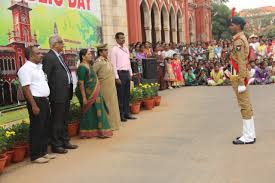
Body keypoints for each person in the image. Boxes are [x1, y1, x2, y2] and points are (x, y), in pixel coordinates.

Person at [18, 46, 56, 163]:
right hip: (35, 101)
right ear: (31, 56)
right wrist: (34, 105)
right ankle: (35, 156)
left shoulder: (38, 68)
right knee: (36, 128)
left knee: (44, 127)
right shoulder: (25, 69)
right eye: (38, 53)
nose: (41, 55)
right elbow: (26, 89)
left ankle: (44, 152)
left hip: (44, 100)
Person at [43, 35, 78, 154]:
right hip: (57, 94)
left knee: (64, 119)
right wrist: (51, 93)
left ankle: (65, 141)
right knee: (57, 120)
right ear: (54, 44)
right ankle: (56, 144)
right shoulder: (49, 57)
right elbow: (46, 77)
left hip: (65, 92)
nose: (63, 45)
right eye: (61, 43)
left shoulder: (59, 56)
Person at [228, 16, 256, 145]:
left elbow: (240, 61)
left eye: (232, 25)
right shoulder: (240, 38)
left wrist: (241, 82)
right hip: (241, 75)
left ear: (238, 25)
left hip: (240, 76)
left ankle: (248, 137)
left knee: (244, 106)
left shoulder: (239, 40)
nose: (230, 27)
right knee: (246, 105)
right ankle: (250, 133)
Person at [75, 49, 113, 138]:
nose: (91, 55)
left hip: (95, 91)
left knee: (98, 110)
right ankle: (87, 132)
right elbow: (81, 83)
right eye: (88, 54)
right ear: (83, 57)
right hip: (88, 94)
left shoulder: (89, 65)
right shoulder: (82, 67)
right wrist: (84, 97)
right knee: (89, 112)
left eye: (91, 54)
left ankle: (100, 131)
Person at [93, 44, 121, 131]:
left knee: (113, 106)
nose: (107, 52)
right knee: (106, 106)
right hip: (104, 87)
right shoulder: (98, 62)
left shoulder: (107, 60)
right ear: (100, 52)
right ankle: (107, 125)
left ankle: (114, 124)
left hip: (111, 87)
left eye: (107, 50)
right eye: (104, 50)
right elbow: (92, 74)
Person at [110, 32, 136, 122]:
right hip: (120, 74)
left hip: (126, 73)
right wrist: (116, 77)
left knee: (127, 95)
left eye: (123, 38)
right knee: (120, 95)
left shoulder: (125, 49)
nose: (123, 39)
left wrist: (131, 73)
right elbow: (113, 64)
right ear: (116, 39)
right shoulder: (114, 50)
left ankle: (127, 113)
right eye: (121, 38)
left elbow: (128, 62)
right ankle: (121, 115)